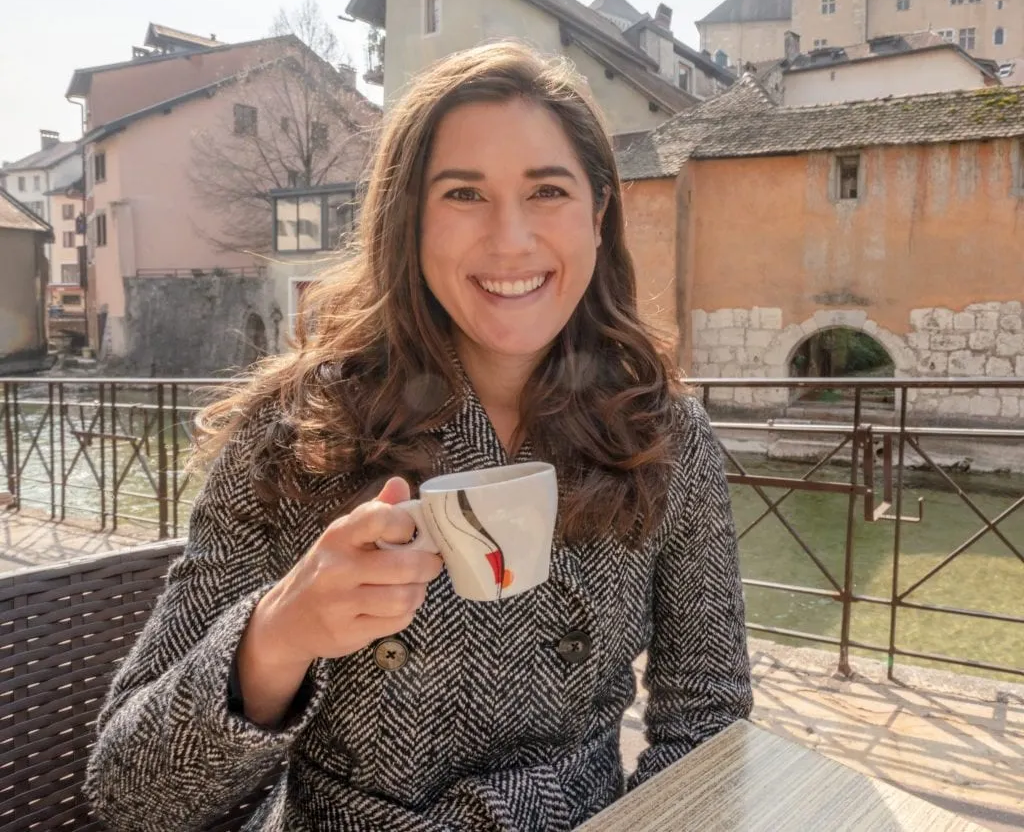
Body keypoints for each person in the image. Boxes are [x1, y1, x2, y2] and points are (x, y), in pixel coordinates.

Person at [85, 42, 752, 831]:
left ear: (598, 215)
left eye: (547, 191)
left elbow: (707, 722)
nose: (510, 240)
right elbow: (126, 795)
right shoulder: (299, 433)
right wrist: (274, 637)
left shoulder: (666, 439)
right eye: (464, 193)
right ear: (410, 220)